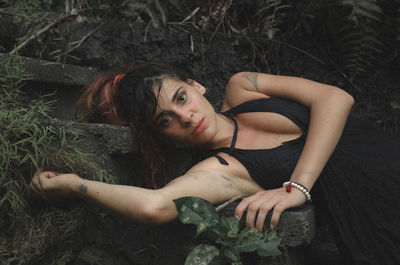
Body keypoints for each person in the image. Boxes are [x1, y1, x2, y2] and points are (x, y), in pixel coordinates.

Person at [30, 62, 400, 264]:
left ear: (196, 85)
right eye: (166, 120)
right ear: (163, 138)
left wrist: (297, 187)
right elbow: (152, 206)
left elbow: (335, 99)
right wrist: (71, 183)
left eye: (181, 97)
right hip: (379, 218)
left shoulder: (244, 87)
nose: (186, 117)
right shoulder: (222, 170)